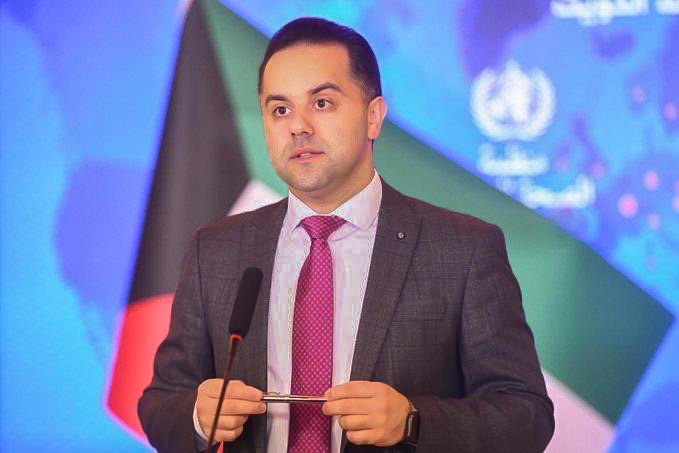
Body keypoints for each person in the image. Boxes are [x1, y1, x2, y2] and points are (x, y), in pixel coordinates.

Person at [138, 17, 554, 453]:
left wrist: (414, 421)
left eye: (321, 103)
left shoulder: (463, 250)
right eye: (280, 110)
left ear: (373, 117)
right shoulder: (216, 251)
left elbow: (526, 414)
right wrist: (198, 418)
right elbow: (162, 401)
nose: (298, 126)